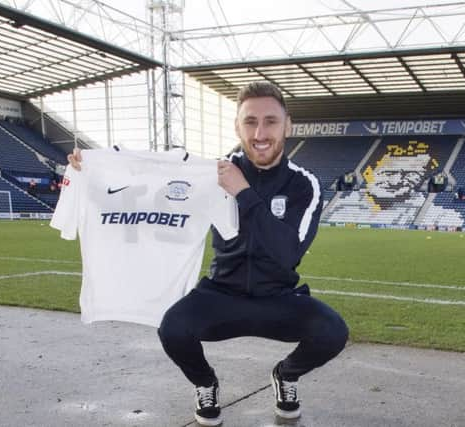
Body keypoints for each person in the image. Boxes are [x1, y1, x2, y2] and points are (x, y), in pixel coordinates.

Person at [68, 81, 348, 426]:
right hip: (222, 294)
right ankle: (205, 384)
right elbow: (143, 193)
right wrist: (93, 174)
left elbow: (286, 253)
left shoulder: (304, 184)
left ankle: (286, 376)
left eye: (271, 121)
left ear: (288, 125)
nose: (260, 132)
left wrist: (243, 193)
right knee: (172, 328)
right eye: (250, 121)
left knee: (333, 331)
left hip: (279, 297)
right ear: (236, 127)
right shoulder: (211, 173)